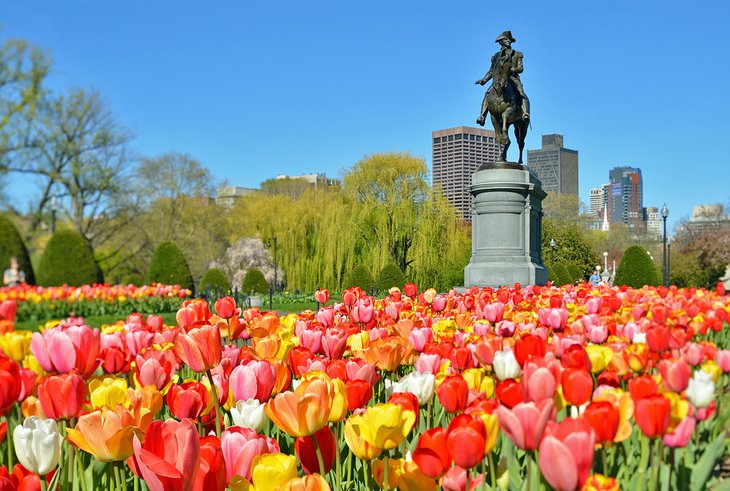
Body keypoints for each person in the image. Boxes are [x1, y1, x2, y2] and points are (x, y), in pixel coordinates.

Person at [476, 30, 530, 124]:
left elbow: (521, 68)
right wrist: (483, 80)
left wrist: (512, 70)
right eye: (506, 39)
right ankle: (482, 116)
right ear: (501, 42)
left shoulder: (517, 54)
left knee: (521, 92)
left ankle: (525, 113)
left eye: (509, 39)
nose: (508, 41)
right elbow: (491, 71)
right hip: (498, 79)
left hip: (513, 79)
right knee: (488, 93)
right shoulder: (496, 56)